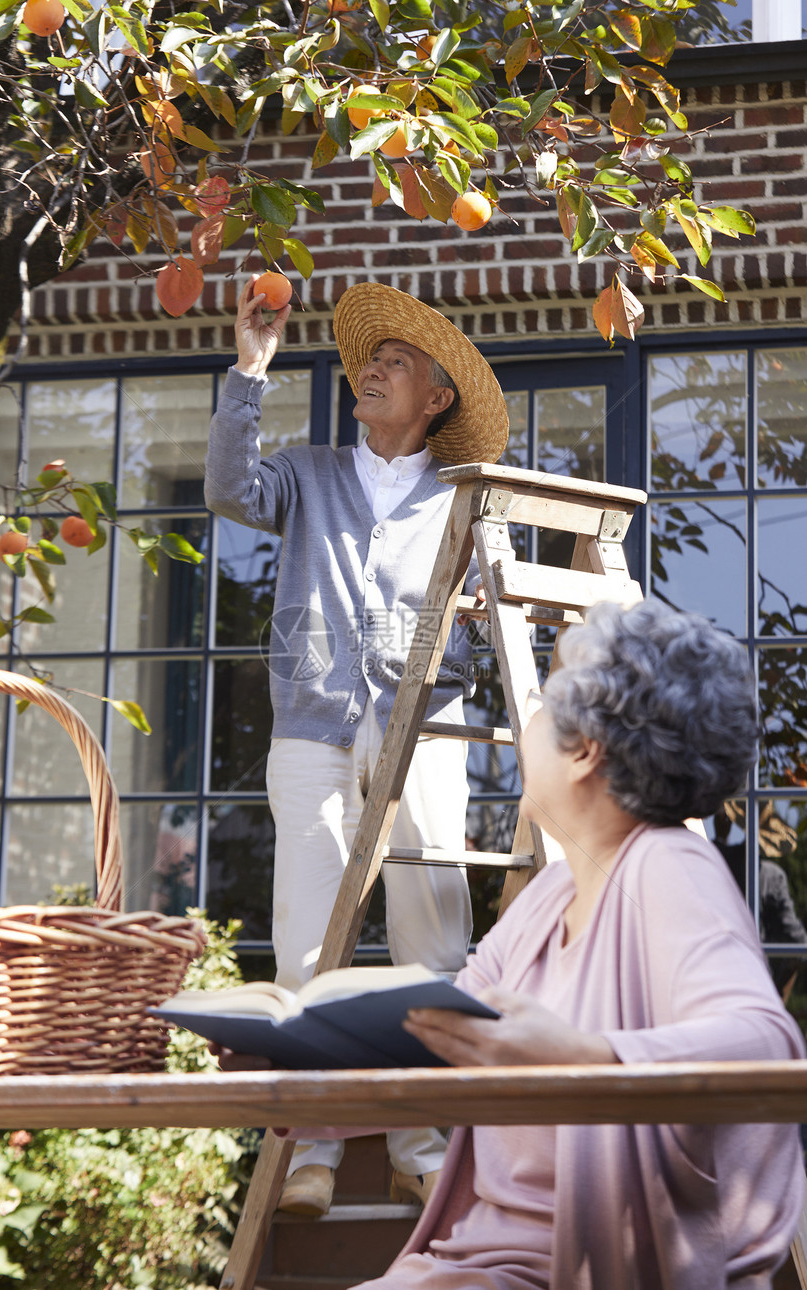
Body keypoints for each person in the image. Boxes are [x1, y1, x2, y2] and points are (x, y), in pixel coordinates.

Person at [232, 599, 805, 1287]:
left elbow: (763, 1044)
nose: (520, 725)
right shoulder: (546, 902)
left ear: (585, 749)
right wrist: (292, 1063)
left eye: (541, 704)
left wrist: (584, 1060)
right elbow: (432, 1049)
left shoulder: (665, 865)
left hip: (581, 1268)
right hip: (483, 1261)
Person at [204, 276, 509, 1217]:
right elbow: (225, 487)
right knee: (307, 937)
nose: (370, 373)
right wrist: (251, 369)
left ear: (437, 399)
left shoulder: (471, 496)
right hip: (312, 727)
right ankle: (316, 1149)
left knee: (431, 937)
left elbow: (501, 617)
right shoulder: (308, 473)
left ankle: (425, 1145)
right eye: (366, 363)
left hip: (425, 731)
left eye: (394, 365)